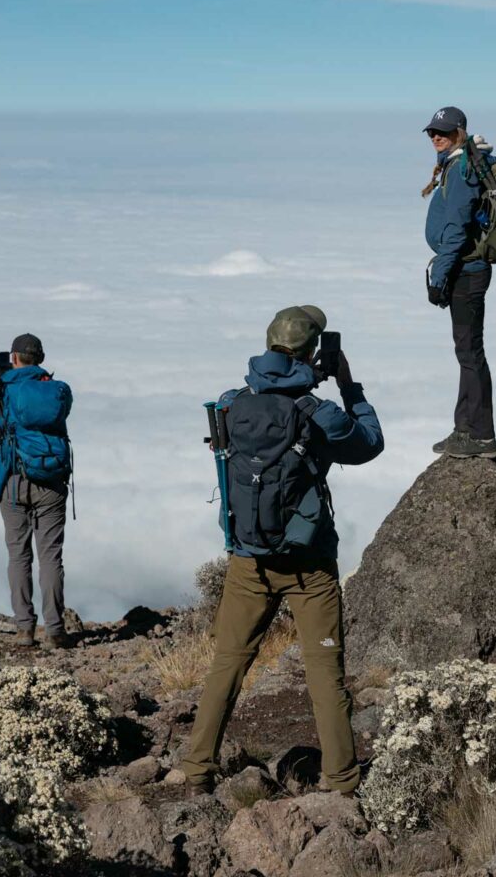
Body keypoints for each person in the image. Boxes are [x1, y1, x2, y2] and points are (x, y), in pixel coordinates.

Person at [180, 305, 384, 797]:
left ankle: (196, 769)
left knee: (228, 661)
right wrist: (347, 385)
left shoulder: (231, 403)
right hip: (309, 565)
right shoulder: (320, 414)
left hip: (248, 559)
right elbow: (371, 443)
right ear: (312, 352)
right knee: (324, 675)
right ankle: (341, 782)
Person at [0, 333, 74, 650]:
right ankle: (55, 630)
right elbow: (61, 414)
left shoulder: (4, 389)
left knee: (18, 556)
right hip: (51, 482)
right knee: (51, 557)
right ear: (41, 358)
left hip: (13, 480)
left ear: (14, 357)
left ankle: (24, 629)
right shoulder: (57, 390)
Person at [422, 105, 496, 459]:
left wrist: (439, 277)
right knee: (467, 353)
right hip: (466, 270)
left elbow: (455, 229)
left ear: (460, 132)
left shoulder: (463, 170)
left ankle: (481, 437)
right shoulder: (461, 163)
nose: (437, 137)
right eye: (432, 133)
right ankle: (463, 429)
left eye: (444, 132)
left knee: (470, 354)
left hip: (466, 273)